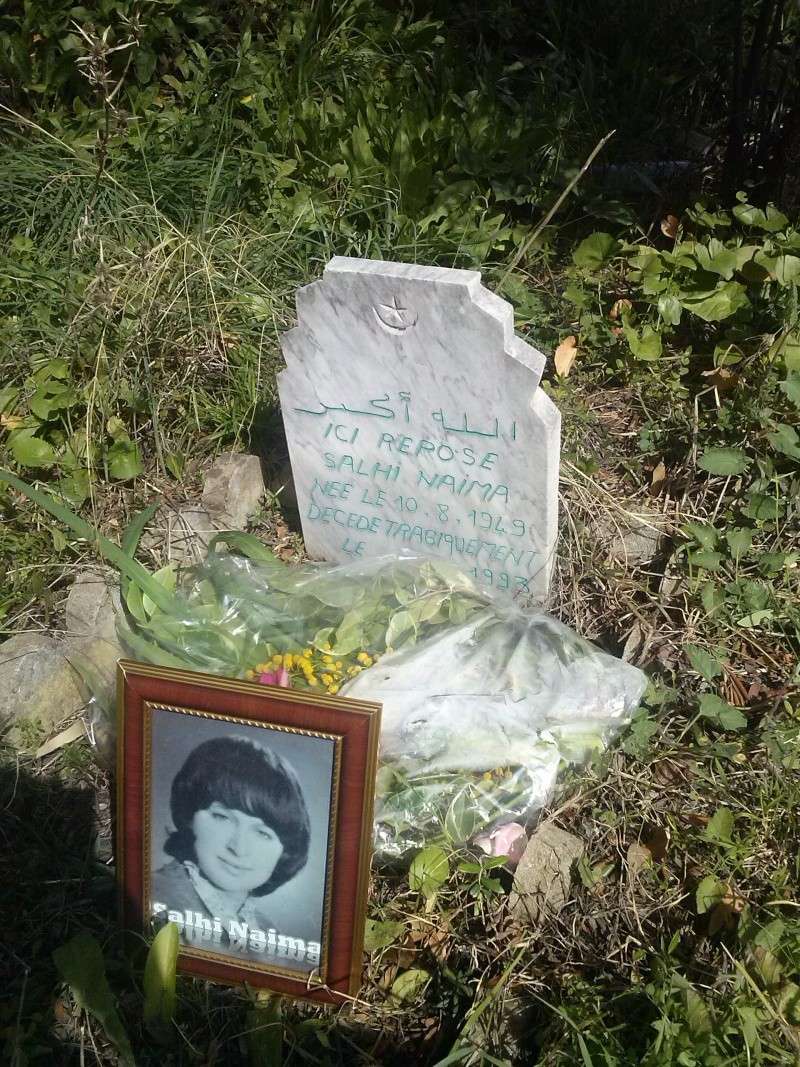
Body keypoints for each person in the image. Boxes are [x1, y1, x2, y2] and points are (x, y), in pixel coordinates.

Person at [151, 734, 311, 957]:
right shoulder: (154, 899)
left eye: (262, 833)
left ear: (284, 851)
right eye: (222, 817)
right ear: (190, 816)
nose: (239, 848)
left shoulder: (268, 931)